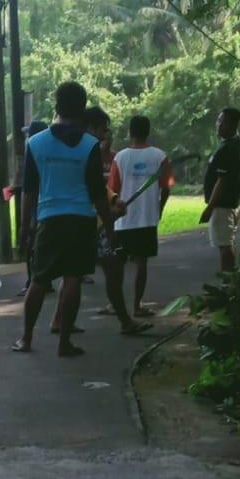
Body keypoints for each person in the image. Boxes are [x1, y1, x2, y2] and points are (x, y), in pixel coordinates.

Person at [14, 82, 113, 357]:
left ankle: (26, 338)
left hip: (50, 219)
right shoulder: (90, 145)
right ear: (82, 109)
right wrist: (109, 226)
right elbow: (98, 193)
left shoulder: (36, 143)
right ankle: (64, 342)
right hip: (81, 219)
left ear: (56, 106)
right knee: (73, 279)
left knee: (39, 280)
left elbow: (29, 190)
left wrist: (24, 226)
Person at [83, 107, 153, 337]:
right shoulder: (88, 150)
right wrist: (109, 217)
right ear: (90, 128)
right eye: (102, 130)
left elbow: (102, 188)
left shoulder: (81, 147)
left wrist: (113, 199)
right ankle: (125, 321)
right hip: (88, 221)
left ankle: (57, 323)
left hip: (85, 219)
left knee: (72, 273)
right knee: (112, 267)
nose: (105, 135)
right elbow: (95, 189)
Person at [107, 115, 172, 317]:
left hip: (123, 220)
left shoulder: (120, 157)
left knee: (118, 263)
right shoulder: (159, 156)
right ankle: (137, 305)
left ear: (130, 133)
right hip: (147, 218)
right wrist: (159, 208)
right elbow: (166, 187)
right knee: (141, 262)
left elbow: (112, 189)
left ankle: (115, 304)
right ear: (148, 132)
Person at [199, 107, 240, 271]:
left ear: (232, 124)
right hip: (226, 203)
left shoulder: (230, 148)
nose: (218, 125)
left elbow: (222, 180)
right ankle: (230, 279)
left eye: (222, 122)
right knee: (226, 243)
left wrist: (210, 207)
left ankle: (228, 281)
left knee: (224, 246)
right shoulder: (229, 144)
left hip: (222, 205)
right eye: (218, 121)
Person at [17, 120, 48, 297]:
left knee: (32, 245)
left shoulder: (34, 150)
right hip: (49, 203)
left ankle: (32, 281)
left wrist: (24, 222)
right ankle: (45, 280)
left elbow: (28, 188)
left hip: (38, 204)